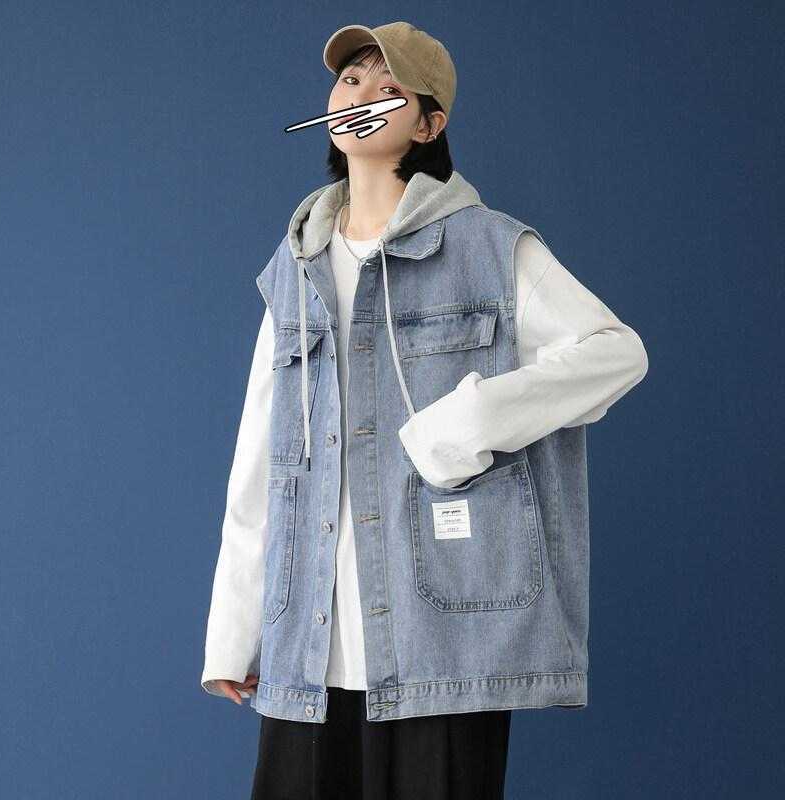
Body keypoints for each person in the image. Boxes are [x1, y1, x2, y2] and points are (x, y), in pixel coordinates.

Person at [200, 21, 649, 800]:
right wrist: (234, 633)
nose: (360, 97)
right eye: (350, 81)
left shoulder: (488, 247)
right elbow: (260, 462)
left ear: (428, 125)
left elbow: (615, 352)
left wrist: (467, 422)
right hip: (308, 645)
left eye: (389, 89)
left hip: (443, 642)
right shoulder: (294, 267)